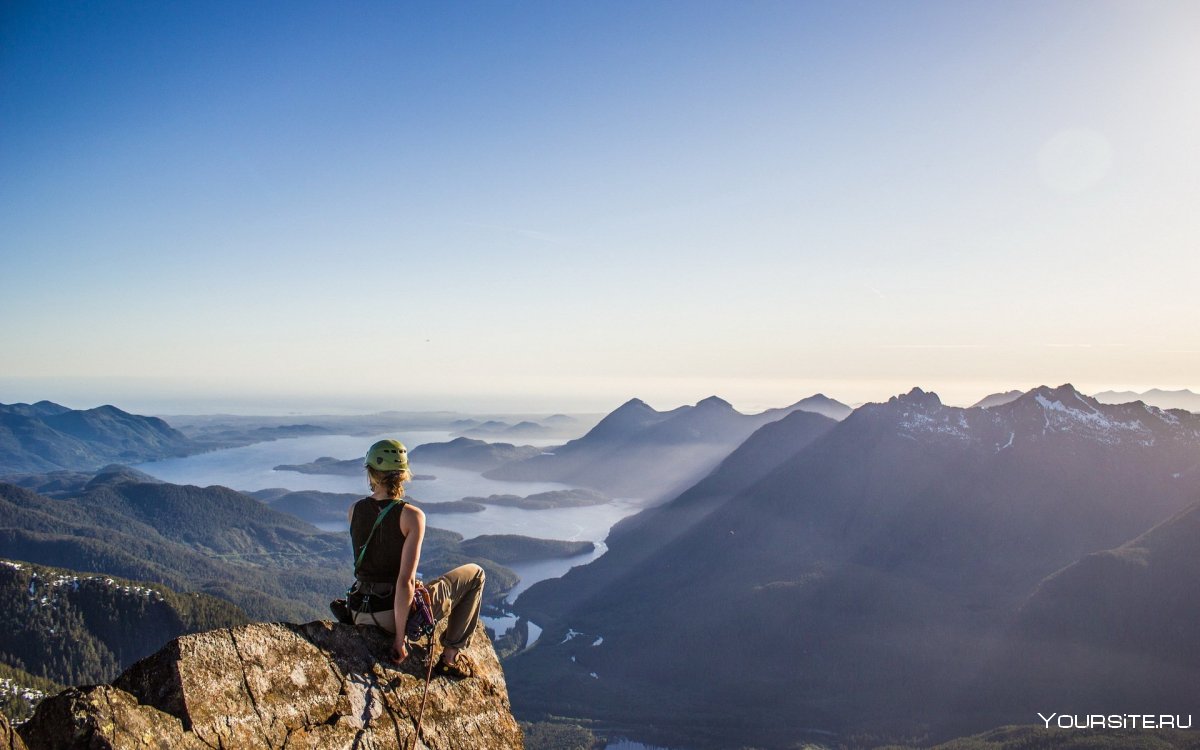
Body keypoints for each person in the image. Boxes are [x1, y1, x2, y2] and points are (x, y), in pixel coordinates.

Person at [348, 438, 485, 678]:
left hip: (359, 610)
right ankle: (451, 657)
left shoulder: (354, 510)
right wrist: (400, 640)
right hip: (389, 616)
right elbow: (405, 582)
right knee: (476, 574)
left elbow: (374, 562)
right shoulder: (411, 516)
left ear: (370, 473)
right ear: (403, 474)